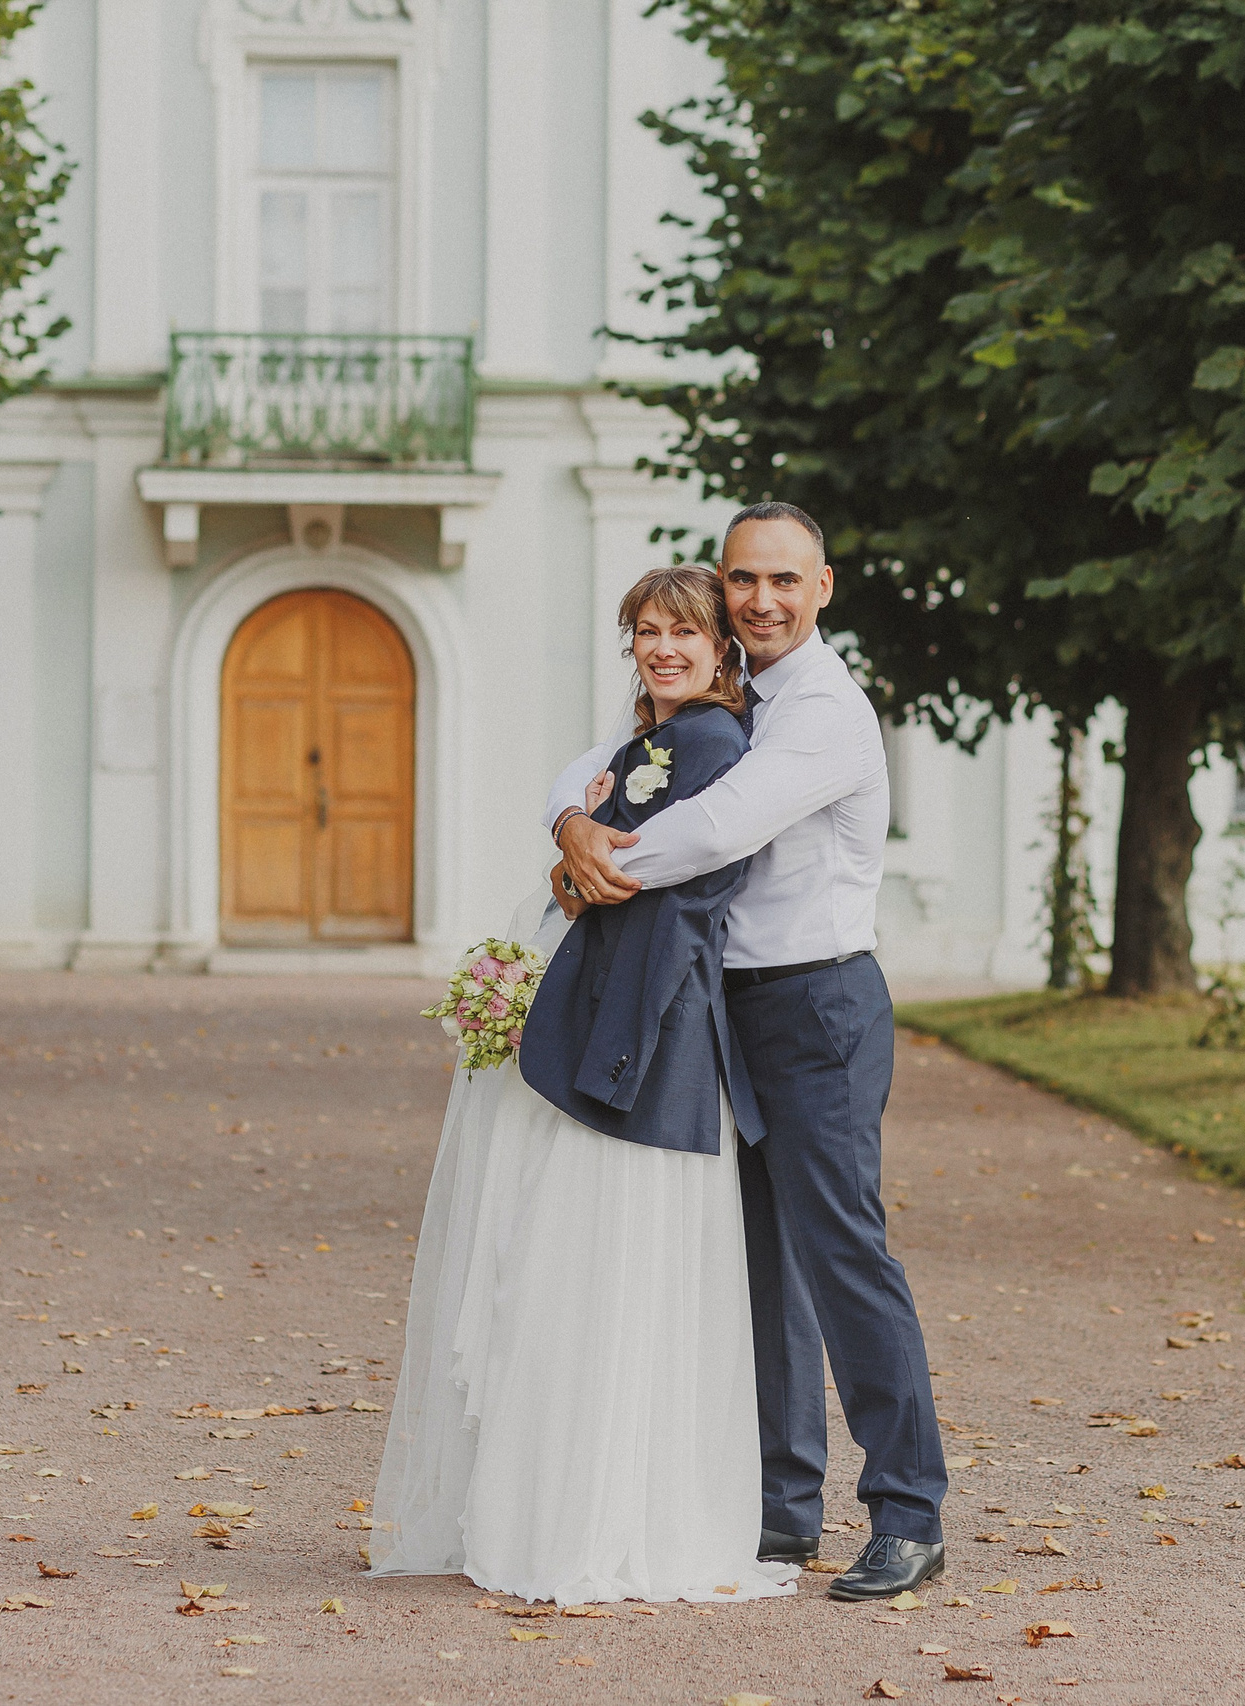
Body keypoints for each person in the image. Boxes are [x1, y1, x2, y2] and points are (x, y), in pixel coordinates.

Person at [364, 564, 797, 1608]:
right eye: (646, 630)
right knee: (573, 1266)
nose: (662, 647)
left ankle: (589, 1513)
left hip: (646, 1035)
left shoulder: (707, 743)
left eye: (684, 632)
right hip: (611, 1007)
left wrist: (584, 882)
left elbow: (679, 896)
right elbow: (589, 811)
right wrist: (570, 838)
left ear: (720, 648)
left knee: (605, 1265)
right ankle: (564, 1503)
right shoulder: (643, 743)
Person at [546, 501, 948, 1603]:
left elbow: (719, 828)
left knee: (840, 1253)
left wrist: (597, 852)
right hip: (723, 1008)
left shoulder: (825, 711)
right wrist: (566, 819)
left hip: (816, 1007)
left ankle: (910, 1511)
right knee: (759, 1267)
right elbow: (601, 758)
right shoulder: (732, 692)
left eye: (783, 579)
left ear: (825, 586)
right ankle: (781, 1512)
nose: (760, 599)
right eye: (741, 580)